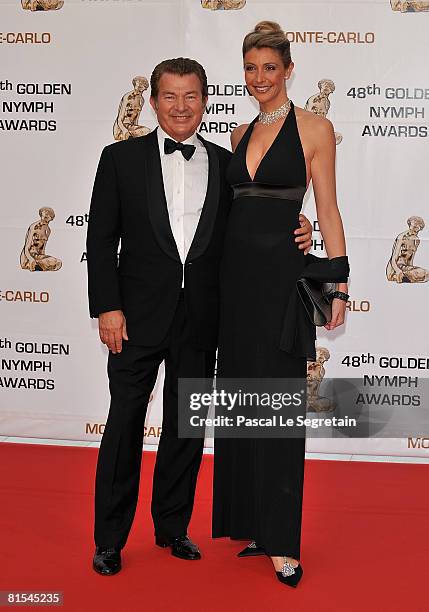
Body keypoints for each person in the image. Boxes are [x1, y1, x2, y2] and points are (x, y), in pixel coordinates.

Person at [86, 56, 313, 576]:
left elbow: (254, 218)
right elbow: (100, 241)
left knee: (185, 430)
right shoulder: (118, 159)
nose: (181, 106)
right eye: (170, 96)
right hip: (135, 319)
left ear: (205, 101)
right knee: (123, 425)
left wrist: (295, 223)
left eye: (191, 96)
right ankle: (110, 538)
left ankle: (172, 528)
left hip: (203, 318)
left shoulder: (223, 162)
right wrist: (108, 306)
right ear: (153, 101)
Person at [212, 21, 349, 587]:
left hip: (281, 287)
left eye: (270, 67)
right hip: (234, 287)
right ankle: (251, 523)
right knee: (242, 404)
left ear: (289, 70)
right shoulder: (239, 131)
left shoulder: (316, 128)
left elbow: (329, 208)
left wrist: (337, 282)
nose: (259, 77)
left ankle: (283, 541)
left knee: (281, 411)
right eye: (250, 68)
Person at [20, 207, 62, 272]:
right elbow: (26, 247)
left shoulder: (48, 230)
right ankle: (32, 265)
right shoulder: (34, 227)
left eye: (47, 216)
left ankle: (38, 266)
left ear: (51, 218)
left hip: (38, 256)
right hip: (28, 257)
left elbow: (42, 248)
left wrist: (44, 259)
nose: (45, 218)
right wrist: (31, 259)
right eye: (44, 216)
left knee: (58, 263)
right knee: (50, 262)